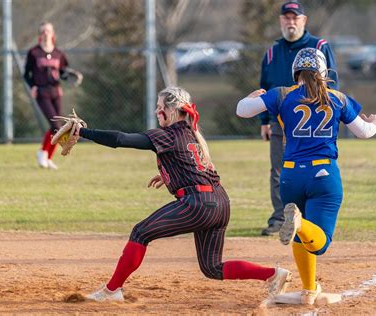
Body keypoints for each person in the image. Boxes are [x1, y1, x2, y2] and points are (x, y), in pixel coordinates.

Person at [69, 86, 291, 302]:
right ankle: (273, 274)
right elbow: (193, 166)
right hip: (220, 203)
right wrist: (168, 175)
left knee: (140, 233)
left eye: (160, 107)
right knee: (212, 268)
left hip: (199, 204)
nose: (157, 112)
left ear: (172, 111)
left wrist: (83, 132)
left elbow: (121, 139)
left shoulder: (169, 134)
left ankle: (111, 290)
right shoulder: (191, 134)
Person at [236, 47, 376, 304]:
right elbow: (365, 132)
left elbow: (242, 110)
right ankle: (300, 223)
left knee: (299, 235)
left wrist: (250, 97)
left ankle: (308, 290)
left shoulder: (282, 94)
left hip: (291, 175)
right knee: (319, 242)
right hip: (323, 174)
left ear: (296, 71)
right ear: (324, 71)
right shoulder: (337, 97)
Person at [259, 0, 338, 236]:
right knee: (278, 167)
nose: (290, 21)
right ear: (281, 20)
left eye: (295, 17)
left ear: (304, 20)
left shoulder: (319, 46)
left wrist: (332, 115)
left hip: (313, 118)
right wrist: (264, 120)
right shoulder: (273, 51)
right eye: (286, 17)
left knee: (316, 165)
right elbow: (264, 86)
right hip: (279, 119)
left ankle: (310, 216)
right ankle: (280, 219)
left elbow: (332, 83)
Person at [24, 22, 70, 170]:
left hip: (56, 92)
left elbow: (63, 72)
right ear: (40, 35)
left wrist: (69, 75)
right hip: (42, 92)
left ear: (52, 34)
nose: (46, 33)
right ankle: (43, 152)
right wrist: (33, 86)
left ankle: (47, 157)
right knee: (55, 125)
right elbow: (27, 74)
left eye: (48, 30)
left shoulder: (59, 53)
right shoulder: (34, 52)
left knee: (59, 127)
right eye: (43, 31)